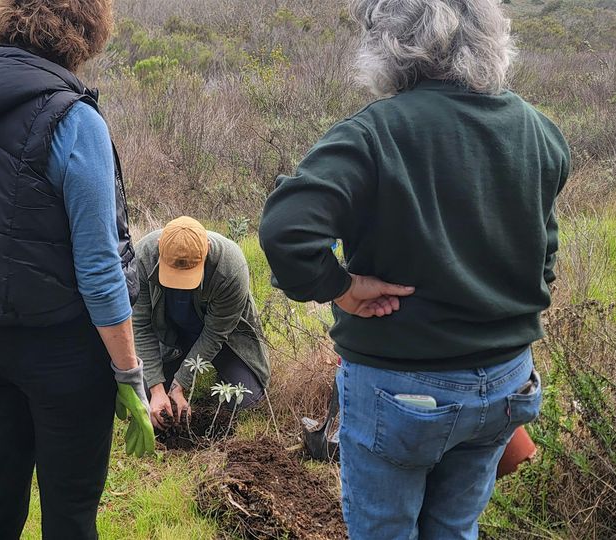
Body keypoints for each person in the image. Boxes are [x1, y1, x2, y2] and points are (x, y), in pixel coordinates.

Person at [258, 0, 571, 537]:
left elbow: (287, 231)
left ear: (391, 43)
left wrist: (342, 287)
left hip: (401, 391)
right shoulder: (538, 131)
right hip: (508, 384)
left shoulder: (375, 134)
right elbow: (545, 253)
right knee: (455, 529)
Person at [0, 1, 154, 538]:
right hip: (60, 353)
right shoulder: (72, 117)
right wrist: (129, 374)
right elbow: (99, 263)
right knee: (69, 510)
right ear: (87, 31)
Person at [132, 217, 271, 429]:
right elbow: (141, 326)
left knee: (247, 400)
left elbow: (216, 333)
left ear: (207, 249)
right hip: (170, 337)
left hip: (225, 339)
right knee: (144, 395)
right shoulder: (142, 257)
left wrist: (180, 384)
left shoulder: (230, 266)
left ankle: (218, 373)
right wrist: (157, 389)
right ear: (159, 246)